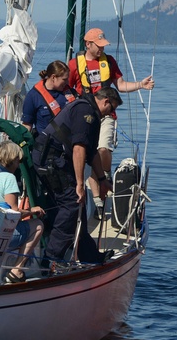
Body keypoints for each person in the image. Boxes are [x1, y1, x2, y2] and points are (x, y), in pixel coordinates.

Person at [33, 85, 122, 265]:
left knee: (78, 207)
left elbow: (93, 153)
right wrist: (80, 185)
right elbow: (79, 149)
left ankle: (90, 256)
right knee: (72, 204)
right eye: (111, 109)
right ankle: (50, 260)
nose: (110, 114)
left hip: (56, 160)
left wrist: (103, 180)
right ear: (105, 101)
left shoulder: (92, 113)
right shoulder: (86, 112)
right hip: (51, 160)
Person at [68, 27, 154, 206]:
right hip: (84, 115)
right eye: (98, 46)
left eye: (103, 45)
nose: (101, 49)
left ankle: (104, 174)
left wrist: (140, 85)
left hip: (106, 114)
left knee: (103, 148)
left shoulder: (109, 61)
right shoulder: (75, 64)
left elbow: (120, 85)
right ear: (88, 44)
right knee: (86, 152)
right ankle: (97, 197)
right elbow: (67, 89)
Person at [0, 141, 46, 284]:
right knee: (38, 225)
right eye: (18, 160)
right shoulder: (8, 178)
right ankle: (17, 270)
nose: (18, 165)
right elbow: (13, 214)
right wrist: (31, 211)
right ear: (11, 158)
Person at [21, 60, 77, 136]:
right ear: (53, 77)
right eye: (64, 79)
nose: (68, 82)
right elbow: (27, 125)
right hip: (47, 144)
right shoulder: (33, 96)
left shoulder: (71, 93)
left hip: (69, 143)